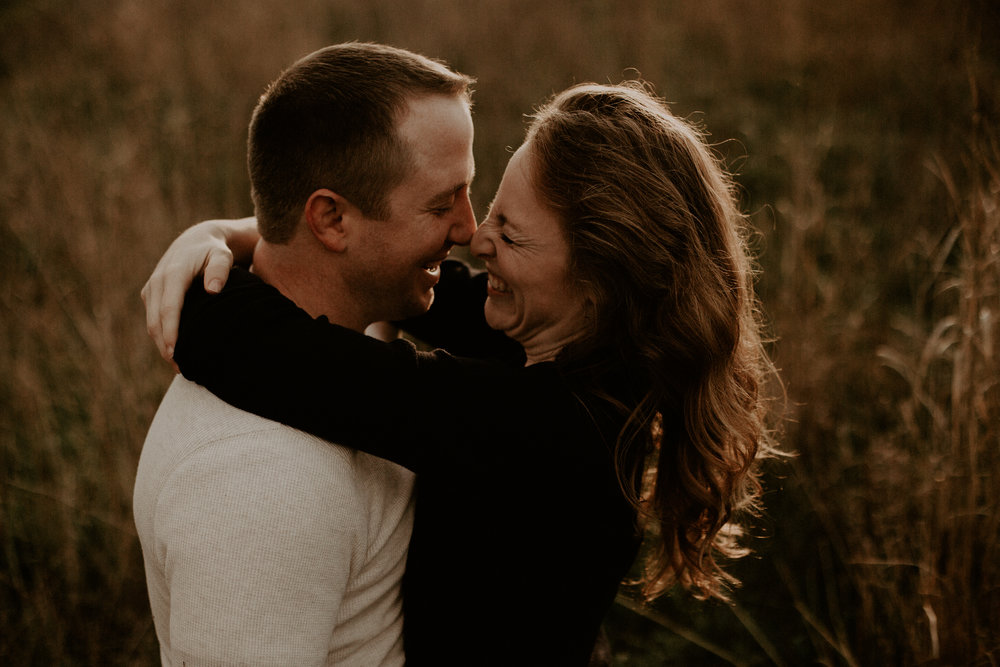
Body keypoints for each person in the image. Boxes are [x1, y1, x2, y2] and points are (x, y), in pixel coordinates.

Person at [144, 81, 779, 665]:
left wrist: (200, 281)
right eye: (490, 210)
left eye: (510, 231)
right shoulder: (588, 347)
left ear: (599, 281)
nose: (476, 239)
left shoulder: (547, 430)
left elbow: (280, 357)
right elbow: (394, 272)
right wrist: (234, 231)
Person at [133, 42, 478, 666]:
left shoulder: (368, 315)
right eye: (441, 203)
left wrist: (228, 231)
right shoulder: (258, 483)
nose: (470, 231)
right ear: (332, 221)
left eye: (467, 193)